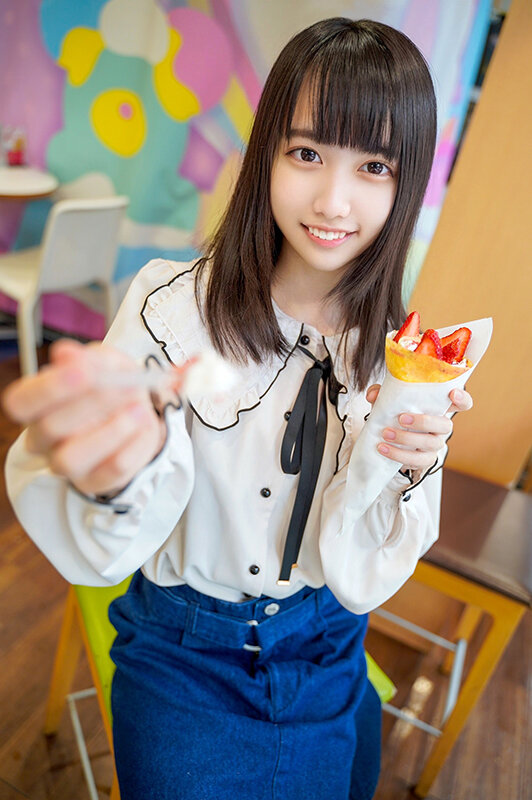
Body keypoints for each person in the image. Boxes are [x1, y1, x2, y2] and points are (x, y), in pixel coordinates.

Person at [3, 17, 473, 800]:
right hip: (183, 652)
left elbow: (366, 575)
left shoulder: (395, 356)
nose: (333, 200)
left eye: (374, 166)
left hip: (329, 641)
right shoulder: (169, 307)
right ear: (266, 155)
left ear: (407, 181)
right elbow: (106, 524)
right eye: (308, 153)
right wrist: (116, 470)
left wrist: (410, 468)